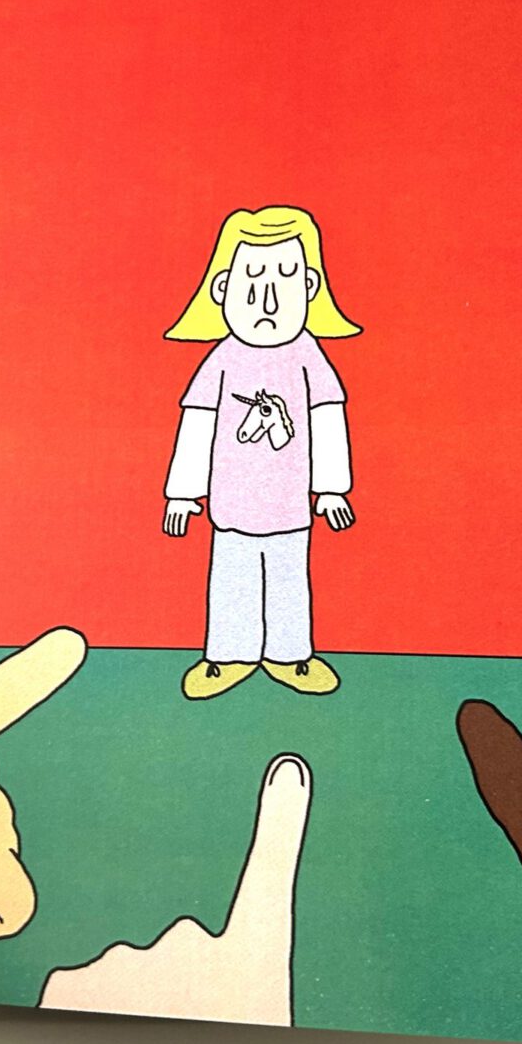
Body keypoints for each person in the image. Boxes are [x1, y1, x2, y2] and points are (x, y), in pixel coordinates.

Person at [161, 206, 359, 700]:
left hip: (290, 505)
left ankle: (290, 655)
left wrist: (331, 488)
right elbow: (198, 422)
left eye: (284, 285)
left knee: (289, 576)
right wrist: (183, 493)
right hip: (231, 505)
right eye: (251, 289)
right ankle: (229, 655)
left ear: (309, 287)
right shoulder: (222, 359)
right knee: (233, 576)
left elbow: (327, 416)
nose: (267, 303)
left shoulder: (309, 356)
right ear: (222, 290)